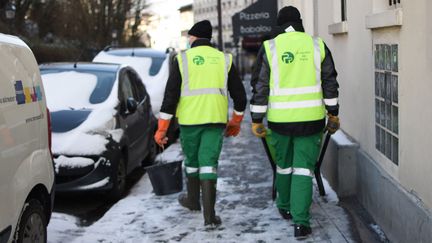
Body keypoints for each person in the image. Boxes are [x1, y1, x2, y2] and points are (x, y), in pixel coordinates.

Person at [250, 6, 340, 239]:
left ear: (278, 25)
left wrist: (257, 119)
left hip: (280, 121)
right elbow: (329, 81)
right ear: (300, 23)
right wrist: (333, 113)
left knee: (284, 164)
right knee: (303, 168)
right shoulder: (317, 45)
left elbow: (260, 86)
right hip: (311, 121)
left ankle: (284, 206)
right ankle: (301, 222)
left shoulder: (270, 48)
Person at [154, 20, 247, 227]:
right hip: (215, 121)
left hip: (189, 121)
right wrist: (236, 122)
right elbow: (240, 97)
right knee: (209, 164)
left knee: (193, 162)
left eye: (189, 37)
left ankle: (193, 200)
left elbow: (170, 98)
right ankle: (209, 216)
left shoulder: (181, 60)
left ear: (193, 37)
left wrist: (162, 129)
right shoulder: (224, 59)